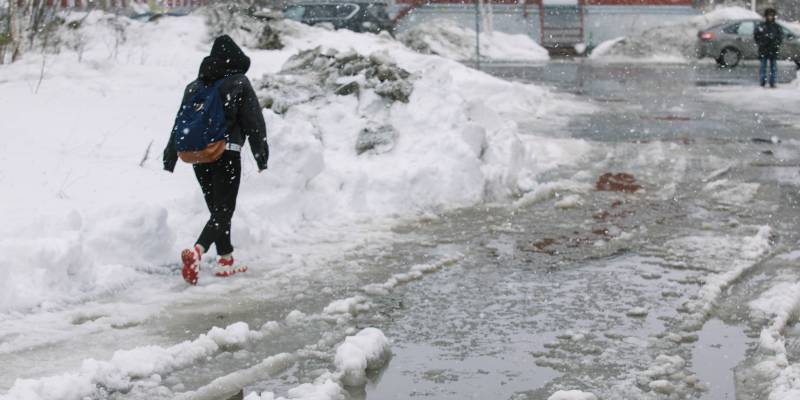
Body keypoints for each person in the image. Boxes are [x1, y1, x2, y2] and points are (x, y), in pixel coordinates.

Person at [163, 35, 269, 285]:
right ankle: (198, 251)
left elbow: (179, 122)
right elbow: (253, 121)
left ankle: (226, 259)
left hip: (199, 155)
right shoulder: (238, 82)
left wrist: (170, 156)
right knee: (224, 210)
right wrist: (261, 154)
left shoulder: (195, 86)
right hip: (226, 152)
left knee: (217, 209)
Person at [754, 8, 783, 88]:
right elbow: (756, 36)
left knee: (773, 67)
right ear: (766, 16)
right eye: (769, 15)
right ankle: (762, 81)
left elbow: (780, 37)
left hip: (773, 50)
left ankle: (772, 82)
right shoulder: (762, 26)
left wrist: (775, 44)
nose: (770, 17)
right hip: (764, 50)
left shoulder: (776, 27)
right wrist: (762, 43)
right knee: (763, 67)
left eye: (771, 15)